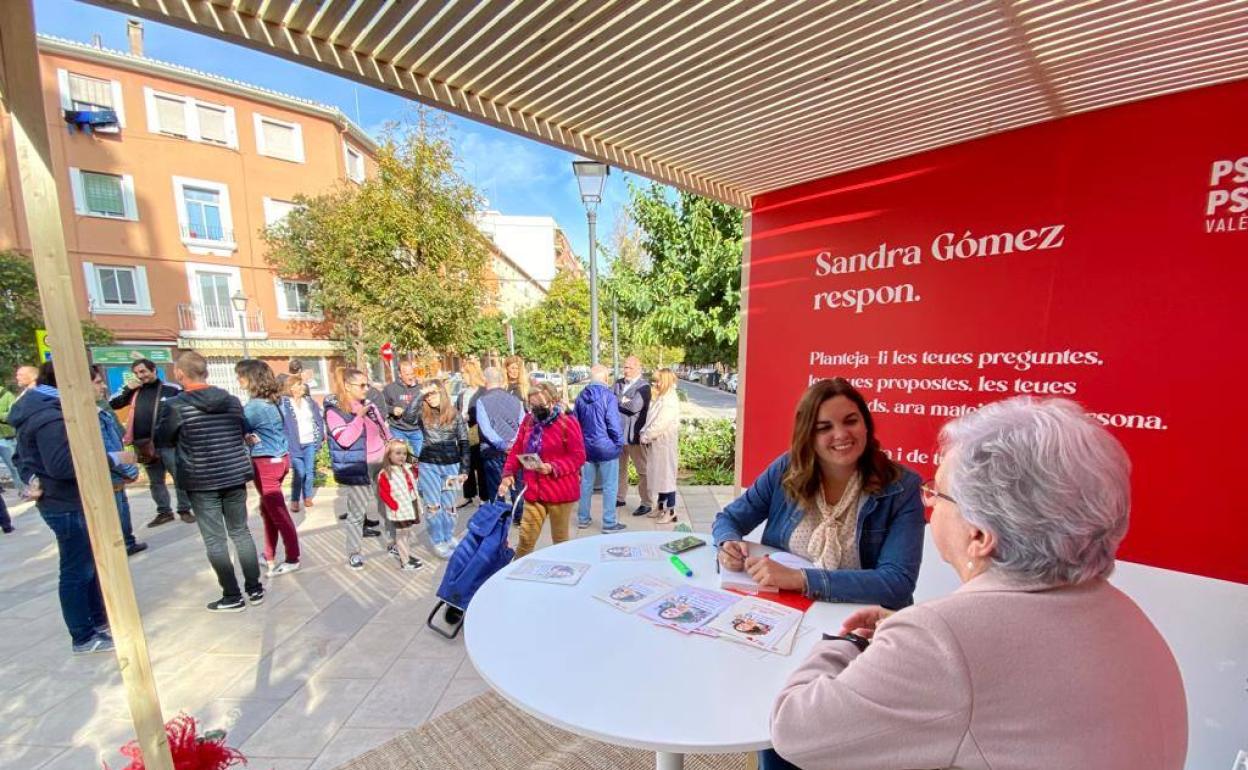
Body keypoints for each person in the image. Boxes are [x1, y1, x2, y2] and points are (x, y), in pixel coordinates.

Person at [766, 397, 1188, 770]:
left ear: (981, 536)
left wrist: (848, 644)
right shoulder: (1125, 613)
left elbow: (793, 731)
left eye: (939, 493)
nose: (927, 501)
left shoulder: (942, 639)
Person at [713, 378, 924, 607]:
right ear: (808, 436)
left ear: (866, 425)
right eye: (824, 428)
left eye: (850, 421)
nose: (841, 434)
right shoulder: (787, 469)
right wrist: (728, 543)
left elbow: (897, 583)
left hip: (862, 621)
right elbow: (729, 519)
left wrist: (800, 579)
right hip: (784, 611)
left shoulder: (901, 487)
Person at [8, 362, 120, 652]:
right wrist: (112, 459)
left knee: (87, 564)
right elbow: (63, 465)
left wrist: (32, 477)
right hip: (65, 503)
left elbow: (22, 457)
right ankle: (83, 635)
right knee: (76, 569)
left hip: (66, 499)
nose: (102, 386)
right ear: (73, 383)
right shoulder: (51, 417)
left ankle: (98, 620)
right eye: (96, 381)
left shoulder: (45, 409)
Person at [157, 352, 263, 612]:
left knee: (215, 539)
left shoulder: (175, 405)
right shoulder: (232, 401)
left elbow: (163, 439)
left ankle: (232, 595)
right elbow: (243, 429)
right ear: (206, 372)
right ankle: (255, 589)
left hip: (201, 478)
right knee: (240, 531)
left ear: (180, 374)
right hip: (234, 474)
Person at [499, 382, 586, 559]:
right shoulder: (528, 421)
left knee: (560, 540)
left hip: (560, 492)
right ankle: (517, 576)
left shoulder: (567, 423)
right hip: (534, 491)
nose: (536, 409)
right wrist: (508, 474)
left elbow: (578, 456)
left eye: (540, 405)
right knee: (525, 540)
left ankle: (563, 573)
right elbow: (517, 449)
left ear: (553, 401)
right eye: (532, 405)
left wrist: (553, 467)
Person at [109, 358, 192, 527]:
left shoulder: (171, 389)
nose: (141, 376)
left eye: (143, 371)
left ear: (153, 370)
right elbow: (112, 404)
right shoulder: (134, 391)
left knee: (179, 477)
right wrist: (127, 389)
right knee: (156, 481)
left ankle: (184, 509)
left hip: (169, 444)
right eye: (137, 373)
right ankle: (164, 512)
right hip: (144, 445)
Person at [237, 360, 300, 577]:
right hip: (278, 459)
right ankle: (269, 554)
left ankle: (293, 558)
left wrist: (246, 436)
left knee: (278, 513)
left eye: (241, 376)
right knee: (268, 510)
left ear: (251, 378)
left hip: (266, 463)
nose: (238, 380)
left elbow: (237, 428)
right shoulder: (273, 401)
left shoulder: (254, 407)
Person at [325, 367, 391, 570]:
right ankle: (354, 552)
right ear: (347, 386)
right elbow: (345, 440)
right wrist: (359, 417)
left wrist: (390, 443)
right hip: (360, 467)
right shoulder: (335, 411)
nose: (366, 389)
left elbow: (382, 428)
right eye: (361, 385)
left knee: (387, 507)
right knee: (357, 513)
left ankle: (393, 544)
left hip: (381, 463)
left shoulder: (369, 404)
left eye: (367, 384)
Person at [405, 379, 468, 557]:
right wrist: (420, 394)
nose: (430, 397)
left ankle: (448, 537)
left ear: (442, 392)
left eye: (433, 393)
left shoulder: (454, 415)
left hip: (452, 466)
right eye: (428, 394)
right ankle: (438, 540)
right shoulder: (422, 414)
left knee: (449, 506)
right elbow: (407, 418)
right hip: (429, 466)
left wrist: (464, 470)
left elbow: (464, 442)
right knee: (433, 506)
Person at [91, 365, 146, 556]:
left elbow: (117, 435)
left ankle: (126, 541)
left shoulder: (100, 410)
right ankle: (123, 543)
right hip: (110, 472)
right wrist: (127, 469)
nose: (103, 386)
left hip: (113, 471)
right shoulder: (94, 415)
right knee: (117, 511)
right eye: (98, 382)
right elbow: (109, 447)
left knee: (120, 507)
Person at [574, 364, 625, 532]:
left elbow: (575, 424)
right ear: (605, 378)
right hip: (607, 448)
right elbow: (613, 424)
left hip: (587, 448)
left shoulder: (581, 396)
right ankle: (609, 523)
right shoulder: (609, 396)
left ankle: (583, 518)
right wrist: (618, 443)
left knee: (586, 484)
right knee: (610, 486)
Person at [476, 366, 525, 504]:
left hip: (492, 451)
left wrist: (502, 445)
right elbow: (523, 424)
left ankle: (500, 517)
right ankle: (518, 515)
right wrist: (513, 443)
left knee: (497, 487)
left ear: (485, 381)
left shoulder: (482, 401)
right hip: (514, 450)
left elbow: (486, 429)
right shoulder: (516, 400)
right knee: (517, 485)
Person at [639, 368, 681, 524]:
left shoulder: (670, 400)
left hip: (664, 444)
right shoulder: (663, 396)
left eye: (657, 381)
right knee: (660, 477)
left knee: (667, 478)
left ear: (665, 381)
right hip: (658, 444)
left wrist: (646, 435)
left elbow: (660, 423)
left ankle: (671, 510)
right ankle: (661, 506)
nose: (654, 384)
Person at [614, 355, 654, 516]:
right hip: (618, 434)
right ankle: (620, 497)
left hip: (634, 435)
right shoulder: (618, 383)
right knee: (620, 469)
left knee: (642, 470)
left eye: (629, 367)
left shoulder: (644, 387)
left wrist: (621, 401)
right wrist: (622, 400)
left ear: (638, 368)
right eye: (625, 367)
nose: (626, 370)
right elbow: (611, 400)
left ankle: (646, 502)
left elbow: (634, 406)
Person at [377, 439, 424, 571]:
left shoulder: (406, 469)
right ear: (389, 455)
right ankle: (405, 561)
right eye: (398, 453)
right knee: (402, 534)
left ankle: (407, 554)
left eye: (404, 453)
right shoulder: (386, 473)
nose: (402, 456)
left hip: (410, 505)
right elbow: (384, 493)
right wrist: (394, 506)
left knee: (407, 533)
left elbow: (413, 480)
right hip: (400, 508)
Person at [279, 374, 324, 513]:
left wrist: (321, 436)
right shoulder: (284, 404)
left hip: (309, 441)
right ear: (292, 388)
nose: (302, 386)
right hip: (294, 444)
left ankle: (308, 497)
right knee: (300, 473)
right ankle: (294, 500)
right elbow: (281, 423)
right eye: (299, 384)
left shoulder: (309, 402)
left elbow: (318, 419)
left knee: (309, 472)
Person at [0, 367, 36, 497]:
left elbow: (13, 415)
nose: (17, 378)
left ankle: (25, 490)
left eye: (20, 375)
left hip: (6, 437)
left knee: (13, 465)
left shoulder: (6, 395)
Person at [455, 358, 487, 503]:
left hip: (476, 431)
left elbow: (484, 412)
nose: (462, 377)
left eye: (464, 374)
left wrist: (470, 416)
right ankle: (469, 494)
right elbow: (457, 410)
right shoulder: (463, 393)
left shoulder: (483, 392)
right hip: (463, 431)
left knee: (479, 464)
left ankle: (484, 496)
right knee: (465, 463)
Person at [383, 361, 425, 456]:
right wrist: (392, 409)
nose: (410, 377)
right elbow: (381, 407)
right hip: (397, 430)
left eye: (412, 373)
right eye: (407, 374)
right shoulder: (390, 389)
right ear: (400, 374)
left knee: (422, 457)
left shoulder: (421, 388)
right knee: (397, 458)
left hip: (416, 429)